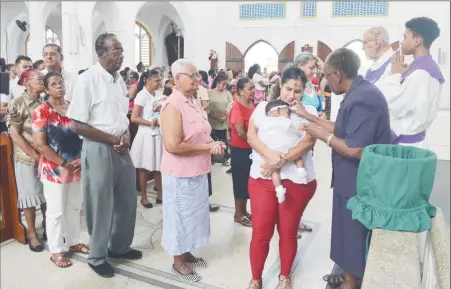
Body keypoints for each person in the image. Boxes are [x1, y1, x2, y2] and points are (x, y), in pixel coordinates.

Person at [299, 48, 392, 289]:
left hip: (360, 180)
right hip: (349, 179)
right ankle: (349, 275)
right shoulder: (358, 92)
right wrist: (309, 117)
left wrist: (321, 136)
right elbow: (340, 128)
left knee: (353, 233)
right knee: (346, 231)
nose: (324, 81)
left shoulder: (364, 98)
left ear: (337, 74)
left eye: (325, 75)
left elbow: (356, 148)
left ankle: (351, 281)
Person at [67, 33, 142, 278]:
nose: (120, 55)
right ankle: (97, 256)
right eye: (115, 50)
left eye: (121, 50)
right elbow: (77, 124)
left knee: (127, 200)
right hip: (99, 148)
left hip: (121, 146)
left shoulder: (118, 78)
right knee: (100, 203)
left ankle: (119, 247)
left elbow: (121, 114)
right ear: (101, 53)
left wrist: (126, 137)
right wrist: (112, 139)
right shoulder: (87, 79)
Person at [246, 67, 318, 289]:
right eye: (288, 88)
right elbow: (251, 136)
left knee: (288, 231)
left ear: (303, 90)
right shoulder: (262, 108)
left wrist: (279, 161)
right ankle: (256, 278)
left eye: (297, 91)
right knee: (261, 231)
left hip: (296, 181)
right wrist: (269, 157)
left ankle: (285, 276)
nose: (291, 95)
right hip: (262, 178)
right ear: (281, 86)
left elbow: (308, 142)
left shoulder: (307, 111)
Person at [159, 59, 225, 281]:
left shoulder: (193, 101)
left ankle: (186, 252)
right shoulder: (172, 105)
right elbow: (173, 146)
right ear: (177, 79)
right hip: (179, 174)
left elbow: (201, 132)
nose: (198, 79)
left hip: (197, 169)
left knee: (193, 215)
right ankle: (178, 263)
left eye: (198, 75)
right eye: (192, 75)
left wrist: (215, 143)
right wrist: (208, 147)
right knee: (179, 217)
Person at [32, 72, 89, 268]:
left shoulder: (72, 106)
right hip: (55, 168)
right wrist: (64, 163)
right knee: (55, 211)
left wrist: (81, 158)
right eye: (53, 84)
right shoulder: (42, 110)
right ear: (46, 89)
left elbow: (82, 132)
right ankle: (56, 250)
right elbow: (41, 145)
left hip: (76, 165)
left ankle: (73, 242)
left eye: (61, 83)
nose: (59, 87)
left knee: (74, 207)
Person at [374, 17, 444, 147]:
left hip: (405, 143)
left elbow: (394, 106)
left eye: (405, 37)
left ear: (417, 40)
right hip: (407, 137)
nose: (402, 42)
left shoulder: (422, 73)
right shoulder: (421, 68)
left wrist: (395, 75)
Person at [6, 69, 47, 252]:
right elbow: (15, 133)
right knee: (29, 197)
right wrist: (33, 154)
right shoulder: (17, 103)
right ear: (27, 82)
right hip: (26, 158)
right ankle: (31, 232)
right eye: (39, 79)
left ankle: (48, 227)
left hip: (46, 155)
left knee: (48, 195)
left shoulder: (45, 100)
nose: (42, 81)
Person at [256, 99, 308, 204]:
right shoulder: (285, 121)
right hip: (287, 147)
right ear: (278, 111)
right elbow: (295, 131)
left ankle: (279, 189)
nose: (288, 114)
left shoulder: (264, 121)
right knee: (297, 154)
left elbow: (260, 135)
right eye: (287, 112)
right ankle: (301, 170)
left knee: (275, 172)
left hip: (272, 150)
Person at [130, 69, 164, 208]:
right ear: (148, 81)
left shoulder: (157, 94)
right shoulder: (142, 95)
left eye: (159, 80)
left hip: (157, 134)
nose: (159, 83)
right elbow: (134, 118)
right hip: (145, 135)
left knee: (158, 166)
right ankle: (143, 196)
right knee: (144, 167)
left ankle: (160, 194)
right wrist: (151, 122)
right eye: (156, 81)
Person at [228, 77, 255, 227]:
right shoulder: (237, 108)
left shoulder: (252, 105)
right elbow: (241, 132)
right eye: (250, 88)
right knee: (239, 182)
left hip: (250, 149)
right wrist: (257, 143)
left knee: (246, 182)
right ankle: (238, 214)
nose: (253, 91)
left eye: (253, 88)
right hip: (240, 150)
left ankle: (244, 211)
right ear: (240, 91)